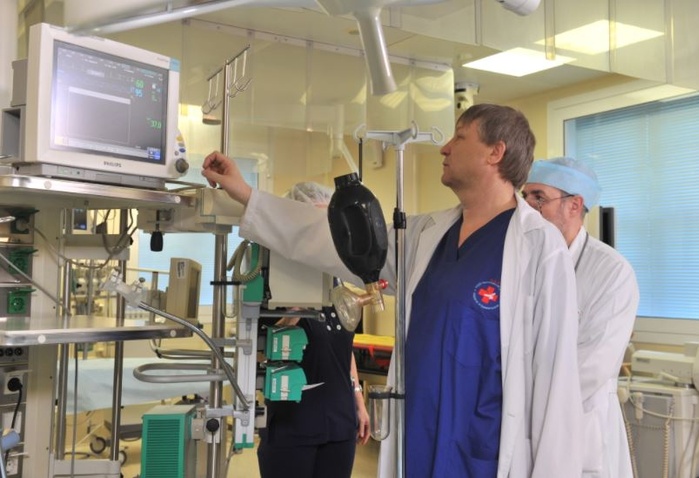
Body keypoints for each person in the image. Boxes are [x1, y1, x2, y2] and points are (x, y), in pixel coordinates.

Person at [202, 103, 584, 478]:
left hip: (485, 448)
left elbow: (556, 379)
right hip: (419, 437)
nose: (445, 147)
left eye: (460, 137)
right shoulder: (426, 235)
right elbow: (340, 241)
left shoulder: (539, 247)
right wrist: (247, 194)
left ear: (495, 152)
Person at [523, 157, 640, 478]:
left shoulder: (611, 271)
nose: (528, 206)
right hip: (520, 418)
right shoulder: (521, 260)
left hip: (577, 419)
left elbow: (592, 366)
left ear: (574, 205)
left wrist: (526, 399)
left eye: (539, 197)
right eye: (525, 196)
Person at [257, 181, 370, 478]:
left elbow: (343, 348)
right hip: (293, 425)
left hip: (340, 422)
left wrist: (358, 399)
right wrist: (295, 310)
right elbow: (258, 354)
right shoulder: (273, 285)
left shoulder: (336, 280)